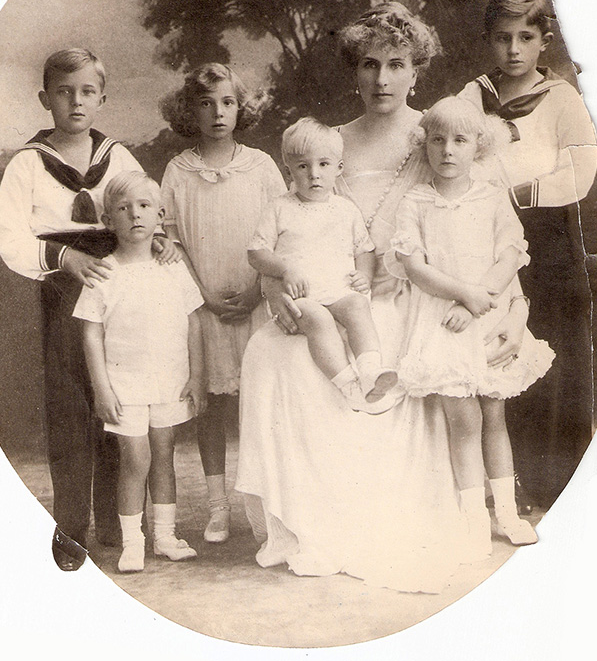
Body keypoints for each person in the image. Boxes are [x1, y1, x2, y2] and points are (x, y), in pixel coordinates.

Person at [236, 3, 530, 592]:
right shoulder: (324, 144)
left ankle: (436, 511)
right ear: (354, 71)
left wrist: (514, 312)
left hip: (420, 303)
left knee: (392, 351)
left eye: (396, 65)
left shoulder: (444, 135)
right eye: (369, 65)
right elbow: (281, 232)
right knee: (270, 354)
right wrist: (275, 290)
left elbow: (489, 232)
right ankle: (306, 520)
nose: (382, 79)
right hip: (335, 296)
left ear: (416, 70)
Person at [0, 48, 177, 570]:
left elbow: (143, 201)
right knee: (73, 401)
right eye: (64, 91)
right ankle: (71, 526)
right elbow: (9, 236)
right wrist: (63, 257)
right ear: (45, 98)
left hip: (121, 278)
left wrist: (158, 237)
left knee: (121, 394)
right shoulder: (28, 163)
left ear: (102, 98)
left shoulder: (117, 157)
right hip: (64, 281)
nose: (76, 102)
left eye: (87, 92)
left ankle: (119, 521)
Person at [386, 98, 554, 560]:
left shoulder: (489, 196)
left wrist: (479, 300)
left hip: (487, 316)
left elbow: (509, 255)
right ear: (425, 145)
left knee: (494, 416)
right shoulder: (416, 201)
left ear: (478, 145)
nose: (447, 150)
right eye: (437, 140)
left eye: (459, 140)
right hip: (442, 322)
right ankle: (471, 519)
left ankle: (506, 511)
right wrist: (464, 295)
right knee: (463, 422)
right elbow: (413, 266)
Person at [456, 0, 597, 507]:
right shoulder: (475, 96)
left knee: (553, 353)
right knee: (498, 350)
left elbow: (580, 172)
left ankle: (558, 485)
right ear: (489, 41)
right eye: (501, 38)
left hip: (550, 237)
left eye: (525, 37)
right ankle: (505, 481)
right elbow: (450, 146)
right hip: (490, 238)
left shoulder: (561, 99)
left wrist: (521, 189)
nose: (513, 50)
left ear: (544, 40)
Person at [160, 64, 286, 545]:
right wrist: (204, 296)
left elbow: (282, 231)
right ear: (190, 110)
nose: (218, 112)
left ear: (241, 107)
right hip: (203, 304)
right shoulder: (178, 170)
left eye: (228, 102)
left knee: (259, 405)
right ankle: (217, 507)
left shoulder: (260, 166)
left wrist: (257, 291)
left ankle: (265, 508)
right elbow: (171, 241)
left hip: (257, 302)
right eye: (206, 103)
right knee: (209, 408)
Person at [73, 172, 205, 572]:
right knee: (136, 458)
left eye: (144, 206)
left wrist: (197, 376)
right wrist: (102, 388)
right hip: (124, 384)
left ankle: (165, 535)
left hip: (170, 379)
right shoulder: (104, 273)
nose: (135, 215)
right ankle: (134, 542)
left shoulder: (172, 266)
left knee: (164, 455)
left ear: (160, 215)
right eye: (124, 209)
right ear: (108, 219)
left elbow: (194, 322)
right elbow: (91, 332)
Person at [248, 117, 400, 412]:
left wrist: (364, 275)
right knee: (319, 319)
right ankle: (349, 386)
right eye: (303, 166)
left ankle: (370, 372)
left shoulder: (345, 210)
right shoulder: (279, 208)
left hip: (338, 290)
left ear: (338, 168)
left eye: (323, 165)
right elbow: (256, 252)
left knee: (357, 306)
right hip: (300, 299)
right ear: (288, 169)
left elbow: (364, 249)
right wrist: (284, 270)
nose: (314, 175)